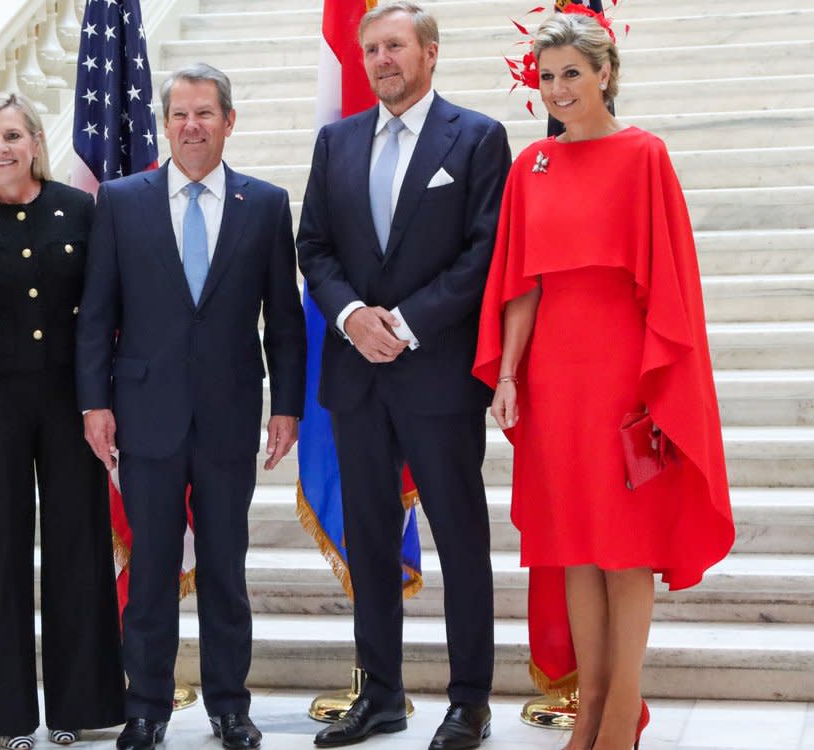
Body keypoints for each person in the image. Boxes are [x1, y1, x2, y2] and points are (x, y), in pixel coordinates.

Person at [472, 12, 734, 750]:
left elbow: (670, 282)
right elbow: (522, 283)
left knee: (624, 544)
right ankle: (588, 706)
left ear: (605, 73)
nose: (557, 90)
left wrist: (657, 382)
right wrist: (510, 374)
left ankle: (623, 709)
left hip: (625, 368)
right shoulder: (533, 167)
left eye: (571, 75)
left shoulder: (645, 155)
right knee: (572, 544)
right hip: (554, 376)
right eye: (546, 77)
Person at [297, 3, 511, 748]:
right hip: (356, 378)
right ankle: (381, 695)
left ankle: (470, 702)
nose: (381, 59)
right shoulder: (336, 141)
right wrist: (353, 315)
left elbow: (485, 252)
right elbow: (314, 247)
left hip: (439, 377)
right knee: (370, 542)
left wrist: (408, 323)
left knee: (460, 538)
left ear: (429, 53)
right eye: (371, 50)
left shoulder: (478, 138)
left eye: (395, 47)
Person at [76, 63, 306, 750]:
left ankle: (229, 707)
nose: (191, 126)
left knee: (226, 568)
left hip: (231, 414)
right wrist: (93, 403)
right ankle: (146, 707)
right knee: (149, 571)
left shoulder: (264, 205)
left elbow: (285, 320)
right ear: (164, 123)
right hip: (144, 413)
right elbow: (97, 314)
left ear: (228, 121)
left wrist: (286, 405)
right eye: (179, 114)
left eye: (205, 113)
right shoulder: (121, 201)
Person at [0, 92, 125, 750]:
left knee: (78, 549)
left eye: (12, 135)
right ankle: (2, 715)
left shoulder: (78, 210)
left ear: (37, 143)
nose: (0, 149)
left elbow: (100, 316)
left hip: (70, 404)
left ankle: (80, 705)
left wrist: (103, 401)